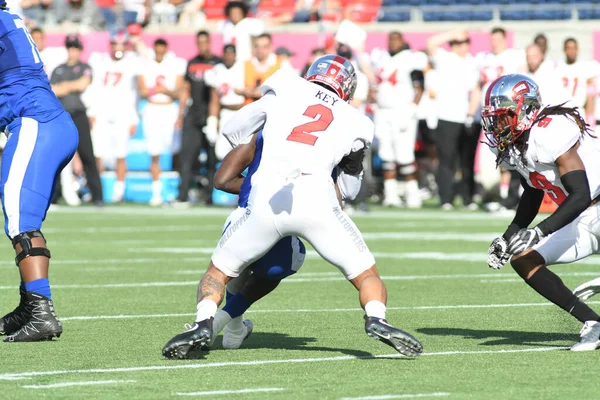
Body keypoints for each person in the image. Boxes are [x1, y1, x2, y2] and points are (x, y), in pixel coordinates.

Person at [162, 56, 423, 359]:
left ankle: (203, 322)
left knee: (219, 271)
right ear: (348, 87)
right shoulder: (357, 121)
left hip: (267, 197)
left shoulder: (286, 86)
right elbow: (349, 190)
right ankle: (377, 318)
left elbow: (233, 129)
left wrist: (268, 137)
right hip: (317, 199)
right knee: (365, 274)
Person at [207, 84, 369, 349]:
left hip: (244, 219)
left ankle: (228, 324)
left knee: (231, 265)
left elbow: (223, 179)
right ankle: (230, 321)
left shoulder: (270, 126)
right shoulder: (337, 134)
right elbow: (345, 195)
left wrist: (259, 186)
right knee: (288, 257)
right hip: (292, 220)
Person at [484, 74, 600, 351]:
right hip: (582, 218)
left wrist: (538, 231)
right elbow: (534, 189)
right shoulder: (517, 144)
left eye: (503, 117)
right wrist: (508, 236)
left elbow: (581, 194)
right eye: (494, 118)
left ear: (525, 109)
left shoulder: (550, 131)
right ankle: (594, 323)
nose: (497, 125)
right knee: (523, 259)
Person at [0, 7, 79, 342]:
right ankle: (28, 305)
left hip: (35, 124)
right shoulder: (10, 23)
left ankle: (41, 310)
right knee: (22, 217)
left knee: (21, 222)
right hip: (49, 124)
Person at [372, 31, 426, 208]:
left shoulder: (411, 58)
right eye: (390, 39)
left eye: (396, 40)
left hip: (403, 111)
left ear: (403, 41)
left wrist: (412, 109)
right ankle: (390, 195)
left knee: (405, 155)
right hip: (384, 112)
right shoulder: (382, 58)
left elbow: (420, 87)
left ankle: (413, 194)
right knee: (387, 155)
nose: (393, 43)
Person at [427, 29, 479, 210]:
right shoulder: (445, 58)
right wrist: (453, 34)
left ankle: (467, 198)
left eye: (464, 42)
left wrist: (471, 114)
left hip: (467, 117)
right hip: (447, 116)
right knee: (446, 159)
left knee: (467, 161)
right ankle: (446, 198)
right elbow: (431, 43)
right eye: (457, 43)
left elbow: (475, 90)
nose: (460, 46)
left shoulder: (473, 62)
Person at [50, 34, 104, 206]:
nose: (72, 51)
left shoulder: (85, 67)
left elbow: (82, 84)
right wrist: (68, 86)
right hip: (62, 116)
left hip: (79, 114)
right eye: (70, 47)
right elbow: (52, 90)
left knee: (87, 154)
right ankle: (54, 196)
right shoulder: (59, 69)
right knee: (57, 157)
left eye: (75, 48)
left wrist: (64, 86)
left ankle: (97, 196)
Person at [87, 32, 140, 203]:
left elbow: (134, 93)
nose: (118, 48)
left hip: (122, 114)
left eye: (122, 44)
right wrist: (92, 112)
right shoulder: (100, 61)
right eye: (115, 44)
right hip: (102, 113)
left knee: (121, 154)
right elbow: (94, 88)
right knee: (98, 154)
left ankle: (119, 191)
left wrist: (133, 118)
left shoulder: (131, 62)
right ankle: (97, 190)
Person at [138, 38, 186, 206]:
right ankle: (156, 192)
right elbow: (143, 90)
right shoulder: (146, 64)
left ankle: (176, 191)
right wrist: (157, 90)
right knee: (154, 152)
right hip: (152, 108)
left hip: (169, 109)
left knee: (175, 150)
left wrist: (164, 90)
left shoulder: (175, 64)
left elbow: (179, 91)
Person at [175, 31, 220, 207]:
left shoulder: (217, 63)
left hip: (211, 115)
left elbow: (218, 93)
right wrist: (180, 114)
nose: (202, 45)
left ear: (209, 42)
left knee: (211, 159)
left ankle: (209, 198)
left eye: (205, 42)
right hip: (193, 114)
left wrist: (214, 118)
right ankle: (183, 196)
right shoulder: (192, 63)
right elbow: (185, 89)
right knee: (187, 156)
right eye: (199, 42)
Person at [204, 44, 245, 161]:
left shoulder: (243, 67)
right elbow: (214, 98)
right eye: (226, 54)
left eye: (231, 54)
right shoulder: (218, 70)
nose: (228, 57)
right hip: (225, 112)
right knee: (221, 152)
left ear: (236, 55)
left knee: (242, 150)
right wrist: (212, 120)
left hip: (242, 112)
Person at [237, 33, 291, 106]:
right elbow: (236, 88)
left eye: (264, 47)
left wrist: (265, 92)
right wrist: (250, 92)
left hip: (274, 108)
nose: (260, 50)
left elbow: (290, 85)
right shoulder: (245, 64)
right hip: (250, 109)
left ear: (270, 47)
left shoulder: (282, 63)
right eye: (257, 46)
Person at [555, 38, 596, 127]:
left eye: (574, 48)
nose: (571, 51)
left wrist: (590, 118)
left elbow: (590, 97)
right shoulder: (557, 68)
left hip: (578, 112)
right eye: (569, 48)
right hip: (561, 112)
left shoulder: (585, 68)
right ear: (564, 50)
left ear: (577, 50)